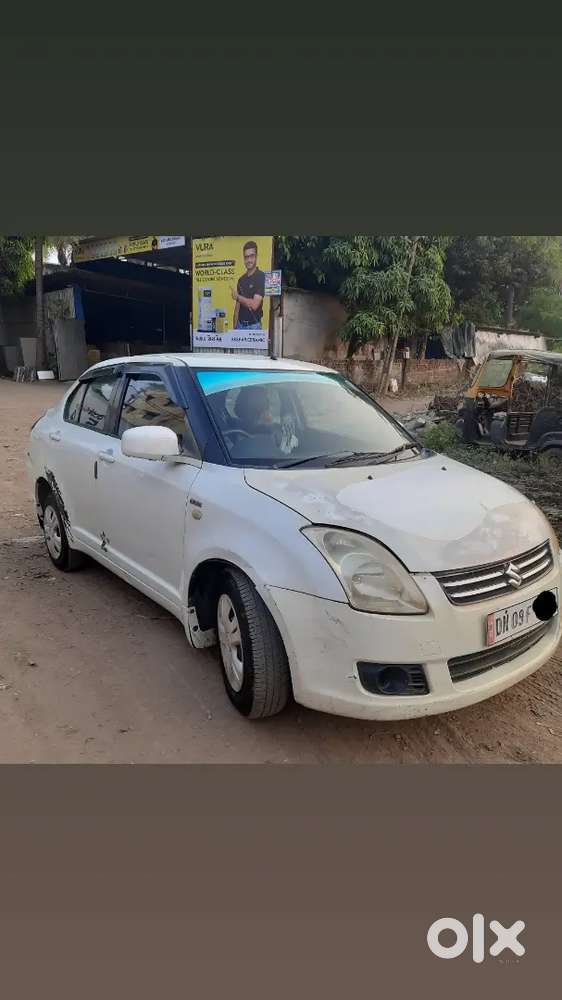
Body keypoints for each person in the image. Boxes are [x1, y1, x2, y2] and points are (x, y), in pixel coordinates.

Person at [230, 240, 265, 330]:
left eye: (251, 256)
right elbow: (237, 308)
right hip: (240, 325)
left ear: (256, 257)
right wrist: (235, 328)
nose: (249, 260)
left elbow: (254, 305)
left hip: (254, 327)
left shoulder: (261, 276)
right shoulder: (241, 280)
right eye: (246, 257)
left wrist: (237, 297)